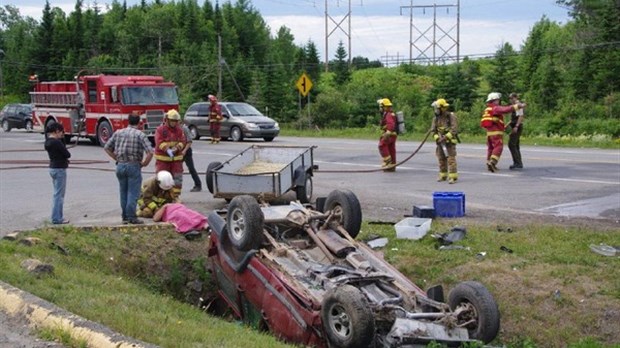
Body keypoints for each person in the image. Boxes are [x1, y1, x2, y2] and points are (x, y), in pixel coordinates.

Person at [104, 112, 154, 224]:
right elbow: (150, 152)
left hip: (120, 165)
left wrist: (116, 157)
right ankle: (131, 216)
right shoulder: (140, 134)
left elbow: (107, 147)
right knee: (133, 192)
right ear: (139, 122)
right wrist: (144, 163)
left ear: (128, 121)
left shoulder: (118, 133)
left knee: (123, 191)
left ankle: (125, 216)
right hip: (133, 165)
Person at [480, 92, 525, 172]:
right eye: (497, 100)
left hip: (489, 133)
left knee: (490, 148)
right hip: (496, 132)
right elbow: (505, 109)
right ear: (494, 100)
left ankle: (488, 163)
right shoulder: (495, 108)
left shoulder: (487, 109)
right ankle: (492, 162)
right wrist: (517, 106)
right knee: (498, 147)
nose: (499, 101)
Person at [154, 109, 186, 199]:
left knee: (177, 178)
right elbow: (159, 142)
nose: (174, 123)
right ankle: (161, 196)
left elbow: (183, 141)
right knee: (162, 178)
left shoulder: (179, 130)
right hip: (163, 159)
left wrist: (177, 148)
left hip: (176, 159)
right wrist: (167, 149)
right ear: (167, 120)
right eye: (173, 121)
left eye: (176, 121)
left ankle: (175, 196)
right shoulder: (160, 130)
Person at [44, 122, 71, 224]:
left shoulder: (47, 142)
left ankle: (57, 217)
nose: (62, 134)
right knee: (59, 195)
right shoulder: (57, 142)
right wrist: (62, 140)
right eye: (61, 132)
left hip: (52, 167)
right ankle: (57, 218)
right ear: (57, 131)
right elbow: (67, 154)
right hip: (60, 169)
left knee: (56, 193)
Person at [430, 98, 459, 184]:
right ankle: (443, 175)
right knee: (441, 159)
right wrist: (437, 138)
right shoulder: (435, 118)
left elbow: (454, 130)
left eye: (437, 108)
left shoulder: (450, 116)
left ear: (442, 108)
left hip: (449, 142)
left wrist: (445, 137)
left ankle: (453, 177)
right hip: (440, 143)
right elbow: (433, 131)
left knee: (451, 159)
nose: (436, 110)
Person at [378, 98, 398, 172]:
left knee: (382, 145)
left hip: (390, 135)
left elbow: (391, 124)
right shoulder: (390, 113)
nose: (380, 109)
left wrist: (388, 133)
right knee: (391, 149)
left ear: (384, 107)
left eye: (381, 107)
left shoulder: (388, 114)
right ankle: (392, 165)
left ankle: (387, 162)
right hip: (393, 135)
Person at [181, 121, 202, 192]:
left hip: (186, 151)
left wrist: (184, 151)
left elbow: (189, 141)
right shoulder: (173, 129)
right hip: (178, 151)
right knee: (175, 169)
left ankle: (198, 185)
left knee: (191, 168)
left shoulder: (184, 129)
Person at [508, 92, 525, 170]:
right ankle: (518, 162)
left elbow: (520, 116)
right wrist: (507, 125)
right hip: (514, 125)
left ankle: (517, 163)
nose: (510, 100)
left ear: (515, 98)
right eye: (510, 98)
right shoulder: (515, 106)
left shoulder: (518, 105)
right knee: (516, 145)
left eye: (511, 98)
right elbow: (512, 119)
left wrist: (516, 126)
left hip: (517, 126)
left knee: (511, 144)